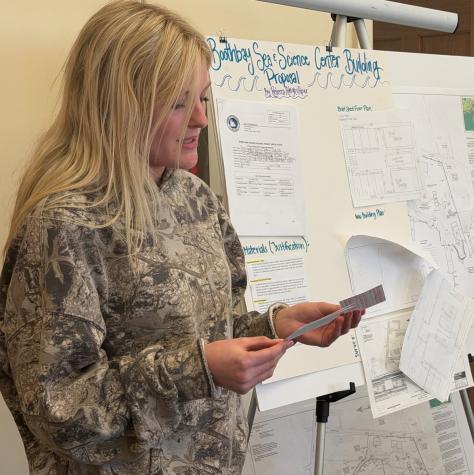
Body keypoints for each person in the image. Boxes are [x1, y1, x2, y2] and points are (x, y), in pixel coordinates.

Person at [0, 2, 363, 473]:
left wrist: (276, 326)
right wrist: (198, 369)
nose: (201, 119)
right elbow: (58, 409)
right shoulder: (66, 226)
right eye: (178, 102)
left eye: (204, 99)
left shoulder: (193, 196)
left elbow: (212, 332)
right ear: (121, 106)